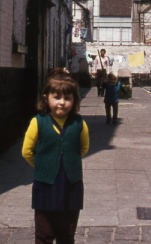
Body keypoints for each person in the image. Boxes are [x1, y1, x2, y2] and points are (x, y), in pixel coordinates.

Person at [22, 69, 89, 244]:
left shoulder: (79, 123)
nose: (62, 103)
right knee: (44, 234)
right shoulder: (38, 122)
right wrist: (43, 164)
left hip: (71, 186)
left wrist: (67, 158)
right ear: (46, 98)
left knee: (66, 235)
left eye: (67, 98)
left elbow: (83, 147)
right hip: (45, 187)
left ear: (74, 100)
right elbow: (27, 151)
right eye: (56, 97)